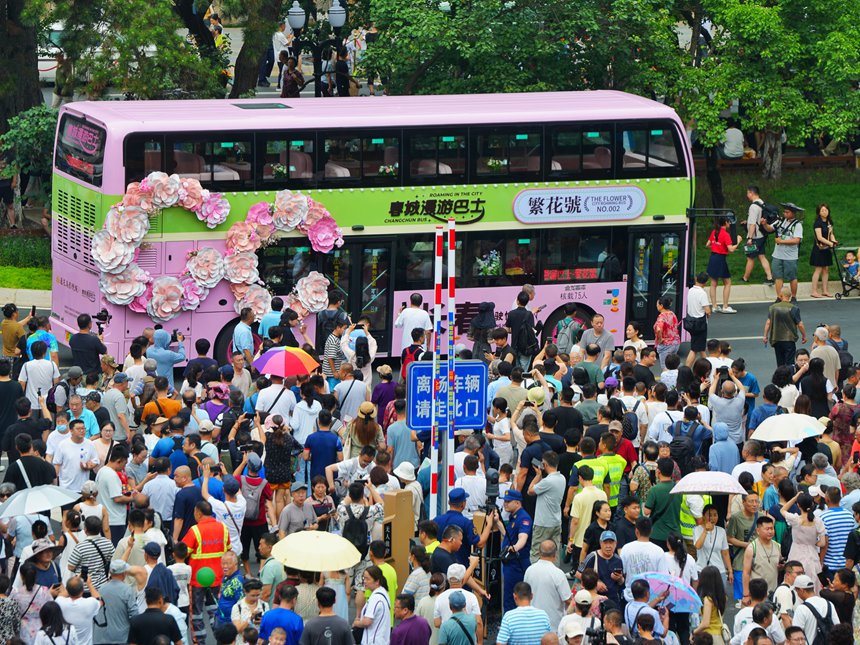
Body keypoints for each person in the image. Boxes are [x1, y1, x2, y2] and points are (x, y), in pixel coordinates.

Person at [493, 489, 533, 612]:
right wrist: (498, 522)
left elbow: (522, 538)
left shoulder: (523, 518)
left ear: (517, 503)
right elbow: (509, 536)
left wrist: (513, 548)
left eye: (508, 501)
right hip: (510, 563)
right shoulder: (514, 516)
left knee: (513, 596)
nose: (505, 504)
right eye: (504, 501)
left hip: (517, 563)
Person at [524, 540, 572, 629]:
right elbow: (568, 600)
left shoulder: (529, 571)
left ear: (539, 553)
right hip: (553, 625)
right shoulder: (558, 573)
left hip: (532, 623)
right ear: (555, 554)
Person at [764, 203, 804, 301]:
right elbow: (770, 229)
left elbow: (796, 240)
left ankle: (793, 297)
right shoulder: (780, 221)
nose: (785, 214)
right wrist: (764, 224)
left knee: (792, 277)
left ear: (793, 213)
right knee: (778, 277)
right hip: (777, 255)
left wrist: (782, 241)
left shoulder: (797, 225)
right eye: (784, 212)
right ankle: (779, 297)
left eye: (787, 212)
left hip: (790, 256)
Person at [791, 574, 840, 645]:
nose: (797, 594)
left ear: (801, 590)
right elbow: (837, 627)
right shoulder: (829, 604)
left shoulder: (801, 608)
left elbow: (796, 635)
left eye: (796, 590)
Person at [742, 186, 775, 285]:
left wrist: (750, 238)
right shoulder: (761, 203)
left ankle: (745, 278)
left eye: (748, 193)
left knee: (750, 257)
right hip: (762, 234)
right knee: (761, 256)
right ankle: (769, 278)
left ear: (751, 193)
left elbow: (752, 223)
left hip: (755, 236)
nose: (747, 195)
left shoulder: (753, 206)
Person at [707, 217, 741, 314]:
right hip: (720, 259)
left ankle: (714, 306)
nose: (729, 223)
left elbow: (707, 244)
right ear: (725, 223)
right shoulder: (725, 234)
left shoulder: (714, 231)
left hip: (712, 257)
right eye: (729, 222)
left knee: (713, 283)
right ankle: (725, 306)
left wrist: (716, 246)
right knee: (727, 282)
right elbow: (731, 249)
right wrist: (738, 241)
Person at [56, 575, 101, 645]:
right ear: (82, 590)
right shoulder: (90, 603)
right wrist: (89, 584)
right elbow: (99, 599)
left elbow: (61, 595)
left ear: (67, 589)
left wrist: (74, 581)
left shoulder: (60, 602)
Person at [353, 565, 390, 644]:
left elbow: (367, 621)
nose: (364, 581)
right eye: (364, 578)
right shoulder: (383, 593)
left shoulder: (376, 598)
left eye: (367, 579)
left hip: (373, 641)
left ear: (377, 581)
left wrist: (356, 623)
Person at [809, 203, 838, 298]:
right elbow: (819, 237)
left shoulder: (829, 222)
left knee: (826, 269)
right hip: (819, 249)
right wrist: (830, 243)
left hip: (827, 249)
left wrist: (833, 240)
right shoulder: (817, 223)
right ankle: (814, 291)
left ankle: (825, 290)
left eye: (826, 210)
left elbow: (831, 234)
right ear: (819, 212)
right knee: (818, 269)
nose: (824, 212)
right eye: (822, 210)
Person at [685, 273, 712, 367]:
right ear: (706, 282)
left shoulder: (691, 290)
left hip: (690, 322)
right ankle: (687, 368)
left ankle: (708, 366)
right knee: (694, 348)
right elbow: (707, 310)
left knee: (700, 347)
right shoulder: (702, 293)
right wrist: (708, 315)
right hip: (700, 324)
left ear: (696, 279)